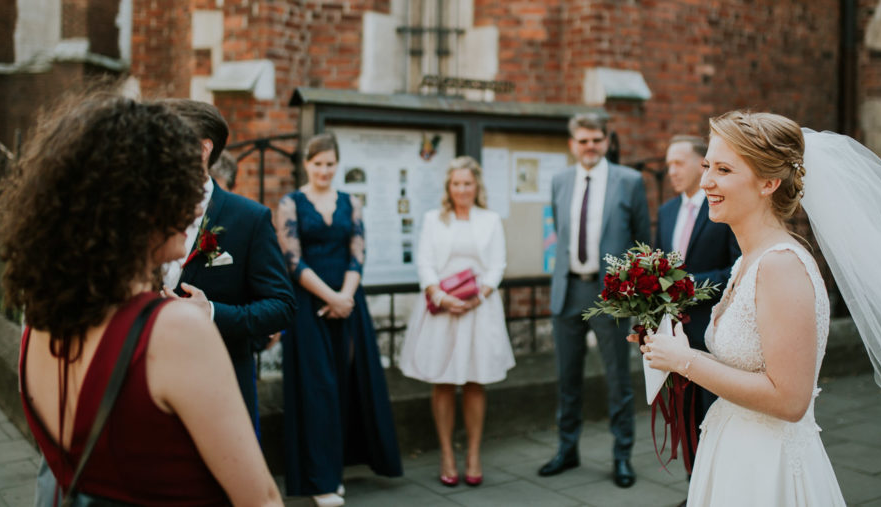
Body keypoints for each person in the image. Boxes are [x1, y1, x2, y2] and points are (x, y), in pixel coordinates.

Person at [637, 110, 881, 506]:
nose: (707, 181)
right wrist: (669, 345)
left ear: (768, 183)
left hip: (768, 468)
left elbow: (790, 400)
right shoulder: (746, 260)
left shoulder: (781, 267)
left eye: (724, 169)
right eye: (707, 166)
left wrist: (686, 362)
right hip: (733, 449)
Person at [0, 91, 282, 505]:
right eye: (178, 192)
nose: (191, 207)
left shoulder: (40, 320)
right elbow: (262, 500)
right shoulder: (174, 330)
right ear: (138, 206)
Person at [276, 133, 402, 506]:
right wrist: (329, 297)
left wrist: (345, 297)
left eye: (330, 163)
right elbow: (292, 259)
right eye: (318, 164)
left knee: (349, 384)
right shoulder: (290, 203)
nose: (325, 170)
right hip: (310, 303)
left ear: (337, 163)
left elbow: (358, 252)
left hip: (349, 302)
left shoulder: (351, 202)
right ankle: (321, 480)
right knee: (317, 388)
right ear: (306, 164)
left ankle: (342, 466)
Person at [160, 99, 296, 432]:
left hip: (219, 383)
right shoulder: (145, 208)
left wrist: (212, 313)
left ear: (204, 148)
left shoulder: (249, 218)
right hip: (153, 377)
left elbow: (281, 306)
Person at [538, 113, 651, 488]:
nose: (590, 147)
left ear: (606, 142)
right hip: (568, 289)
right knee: (567, 379)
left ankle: (622, 457)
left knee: (618, 379)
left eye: (596, 140)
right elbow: (562, 232)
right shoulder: (559, 181)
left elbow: (640, 243)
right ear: (572, 144)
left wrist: (638, 302)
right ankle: (567, 450)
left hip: (611, 295)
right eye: (583, 140)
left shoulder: (629, 181)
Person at [398, 156, 515, 487]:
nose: (461, 189)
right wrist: (441, 296)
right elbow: (425, 263)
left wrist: (481, 295)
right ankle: (447, 454)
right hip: (442, 309)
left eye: (467, 183)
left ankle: (474, 453)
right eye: (455, 183)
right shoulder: (434, 219)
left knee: (476, 381)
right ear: (448, 188)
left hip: (480, 307)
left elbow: (497, 264)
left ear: (476, 186)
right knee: (444, 381)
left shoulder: (490, 220)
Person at [655, 135, 739, 492]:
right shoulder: (666, 211)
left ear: (699, 164)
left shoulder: (722, 208)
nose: (671, 171)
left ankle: (720, 488)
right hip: (674, 332)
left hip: (710, 329)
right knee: (682, 415)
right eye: (668, 164)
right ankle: (695, 488)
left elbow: (737, 269)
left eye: (678, 163)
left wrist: (688, 284)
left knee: (711, 414)